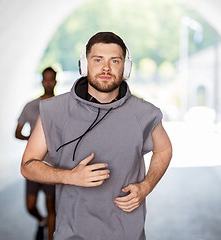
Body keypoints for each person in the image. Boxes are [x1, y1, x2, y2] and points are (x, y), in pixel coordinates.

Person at [20, 32, 172, 240]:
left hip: (127, 234)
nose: (106, 68)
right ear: (85, 65)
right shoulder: (54, 110)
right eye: (98, 59)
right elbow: (28, 164)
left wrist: (146, 187)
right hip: (72, 234)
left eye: (115, 61)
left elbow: (163, 149)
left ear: (126, 68)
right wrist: (69, 176)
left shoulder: (145, 113)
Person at [15, 67, 57, 240]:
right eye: (45, 79)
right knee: (30, 205)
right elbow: (17, 132)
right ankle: (41, 220)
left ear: (55, 81)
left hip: (53, 165)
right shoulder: (31, 106)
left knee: (51, 206)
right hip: (34, 163)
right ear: (41, 81)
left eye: (51, 79)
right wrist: (33, 142)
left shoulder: (62, 106)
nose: (48, 83)